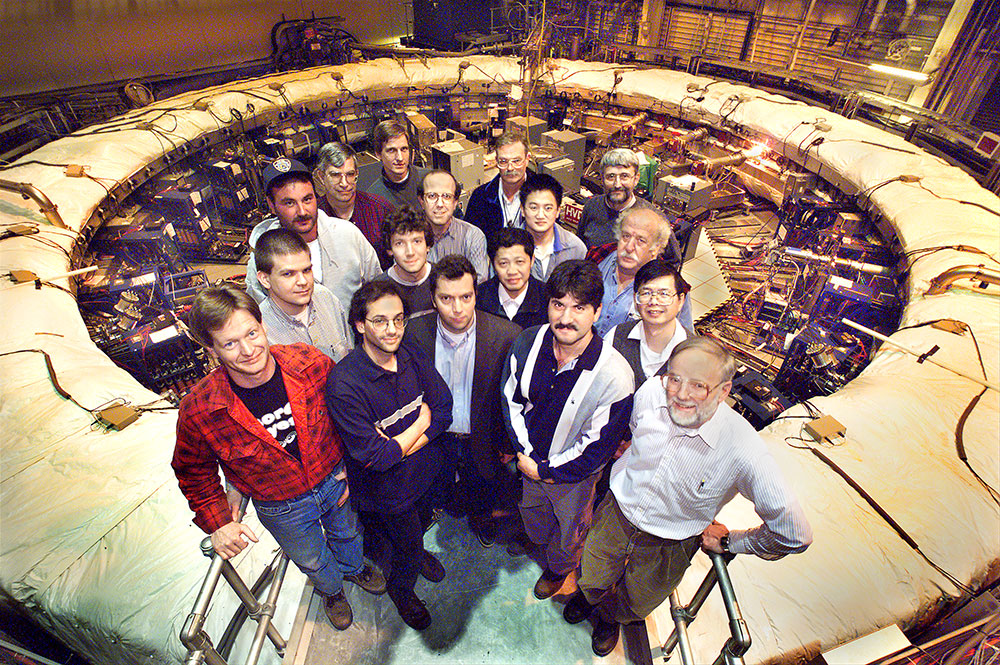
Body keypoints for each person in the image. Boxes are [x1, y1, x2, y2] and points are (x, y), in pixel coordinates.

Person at [563, 336, 812, 656]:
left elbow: (794, 533)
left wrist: (734, 542)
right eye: (675, 378)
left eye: (699, 385)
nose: (680, 394)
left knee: (638, 597)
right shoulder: (652, 392)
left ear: (724, 391)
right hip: (618, 511)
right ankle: (589, 598)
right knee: (593, 569)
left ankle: (611, 618)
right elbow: (635, 428)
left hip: (672, 541)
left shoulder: (743, 450)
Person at [171, 285, 386, 632]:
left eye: (251, 333)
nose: (248, 350)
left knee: (348, 532)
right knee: (312, 559)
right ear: (211, 349)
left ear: (263, 325)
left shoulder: (310, 364)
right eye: (230, 343)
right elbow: (193, 471)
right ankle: (331, 592)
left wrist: (356, 469)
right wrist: (220, 523)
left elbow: (352, 417)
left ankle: (355, 567)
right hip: (281, 506)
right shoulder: (200, 409)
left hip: (334, 480)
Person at [501, 260, 633, 602]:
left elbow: (596, 449)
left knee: (570, 532)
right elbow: (511, 401)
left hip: (574, 479)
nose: (566, 317)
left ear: (597, 311)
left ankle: (558, 569)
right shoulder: (528, 342)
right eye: (558, 304)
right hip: (530, 462)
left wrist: (544, 470)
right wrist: (526, 454)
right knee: (533, 514)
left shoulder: (615, 376)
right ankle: (537, 543)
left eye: (579, 307)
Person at [326, 280, 453, 630]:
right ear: (360, 324)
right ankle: (402, 590)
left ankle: (415, 552)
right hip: (388, 491)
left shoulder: (410, 352)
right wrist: (420, 423)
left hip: (423, 474)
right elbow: (378, 458)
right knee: (405, 547)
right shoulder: (345, 383)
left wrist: (400, 445)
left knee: (421, 527)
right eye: (380, 321)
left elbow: (444, 410)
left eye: (399, 319)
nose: (392, 329)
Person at [404, 255, 522, 546]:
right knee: (436, 484)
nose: (457, 308)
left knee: (482, 485)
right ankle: (440, 508)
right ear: (433, 299)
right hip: (434, 437)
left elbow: (513, 398)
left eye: (465, 297)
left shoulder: (506, 335)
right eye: (446, 298)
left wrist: (507, 444)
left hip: (482, 438)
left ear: (475, 294)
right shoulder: (414, 334)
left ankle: (481, 519)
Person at [245, 157, 382, 312]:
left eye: (307, 199)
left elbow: (378, 290)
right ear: (271, 205)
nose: (302, 211)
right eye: (289, 203)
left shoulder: (348, 235)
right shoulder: (261, 259)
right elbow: (262, 318)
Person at [254, 228, 352, 361]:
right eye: (288, 274)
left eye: (306, 270)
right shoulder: (260, 330)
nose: (303, 281)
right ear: (265, 279)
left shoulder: (326, 297)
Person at [594, 207, 691, 337]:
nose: (629, 247)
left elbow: (683, 340)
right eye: (626, 236)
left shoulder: (673, 288)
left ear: (656, 248)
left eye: (641, 240)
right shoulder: (597, 258)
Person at [606, 259, 692, 389]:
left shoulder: (695, 353)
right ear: (635, 300)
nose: (654, 301)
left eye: (664, 294)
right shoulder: (616, 337)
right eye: (646, 293)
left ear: (680, 301)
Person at [313, 141, 394, 268]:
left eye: (350, 174)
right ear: (321, 176)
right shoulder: (313, 216)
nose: (344, 183)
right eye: (335, 175)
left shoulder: (381, 209)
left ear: (356, 173)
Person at [577, 148, 669, 252]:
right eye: (610, 177)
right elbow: (581, 247)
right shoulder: (592, 206)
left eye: (624, 176)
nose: (617, 184)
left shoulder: (654, 218)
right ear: (602, 179)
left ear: (636, 179)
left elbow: (672, 260)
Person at [420, 170, 489, 282]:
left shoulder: (473, 236)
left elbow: (478, 282)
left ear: (455, 202)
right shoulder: (409, 237)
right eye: (432, 196)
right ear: (421, 201)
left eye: (447, 196)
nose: (439, 204)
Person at [477, 227, 548, 329]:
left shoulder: (547, 299)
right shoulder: (479, 298)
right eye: (503, 263)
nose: (512, 271)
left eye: (519, 262)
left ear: (532, 260)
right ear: (493, 264)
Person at [466, 130, 530, 242]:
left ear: (527, 159)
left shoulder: (543, 195)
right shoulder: (480, 197)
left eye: (516, 161)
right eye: (504, 161)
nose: (510, 168)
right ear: (496, 161)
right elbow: (470, 242)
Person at [520, 173, 586, 281]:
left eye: (548, 208)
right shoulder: (506, 247)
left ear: (558, 211)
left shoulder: (576, 249)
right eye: (533, 207)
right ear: (522, 209)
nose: (540, 215)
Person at [376, 205, 436, 316]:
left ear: (427, 245)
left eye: (417, 241)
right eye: (400, 243)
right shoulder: (377, 291)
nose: (410, 252)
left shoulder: (444, 278)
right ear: (390, 249)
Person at [366, 120, 429, 211]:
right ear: (378, 154)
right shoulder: (374, 198)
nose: (399, 158)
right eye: (391, 150)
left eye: (404, 149)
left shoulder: (430, 181)